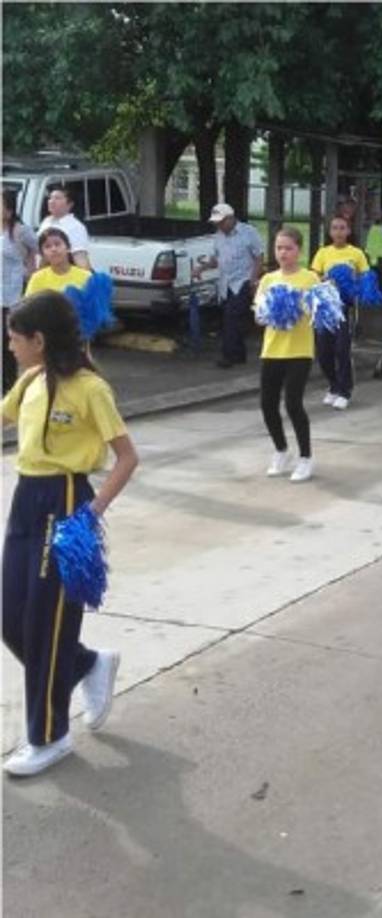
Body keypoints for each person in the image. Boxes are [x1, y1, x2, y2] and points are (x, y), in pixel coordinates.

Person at [2, 290, 139, 776]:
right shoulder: (31, 380)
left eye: (15, 339)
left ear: (38, 339)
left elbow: (127, 457)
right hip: (25, 499)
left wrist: (90, 514)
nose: (10, 346)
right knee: (10, 620)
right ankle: (85, 664)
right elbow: (4, 416)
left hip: (65, 502)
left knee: (44, 624)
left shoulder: (89, 389)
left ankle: (50, 736)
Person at [253, 226, 319, 483]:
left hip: (300, 350)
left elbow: (318, 312)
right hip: (272, 349)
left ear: (299, 251)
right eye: (279, 248)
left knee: (293, 403)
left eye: (288, 248)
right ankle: (281, 450)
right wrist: (269, 309)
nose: (283, 253)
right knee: (267, 404)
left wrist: (299, 305)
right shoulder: (268, 279)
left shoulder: (310, 278)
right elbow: (258, 316)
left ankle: (306, 457)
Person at [195, 203, 265, 368]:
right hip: (225, 282)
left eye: (222, 221)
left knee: (232, 317)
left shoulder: (248, 232)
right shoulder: (218, 236)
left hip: (242, 280)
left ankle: (229, 355)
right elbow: (217, 259)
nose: (219, 225)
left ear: (231, 218)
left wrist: (254, 280)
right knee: (232, 318)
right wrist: (202, 268)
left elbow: (259, 256)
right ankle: (238, 354)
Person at [311, 215, 368, 410]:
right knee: (323, 350)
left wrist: (352, 282)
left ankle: (345, 390)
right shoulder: (323, 253)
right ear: (329, 232)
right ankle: (333, 385)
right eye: (334, 228)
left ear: (349, 231)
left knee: (342, 349)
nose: (338, 232)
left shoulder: (357, 253)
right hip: (326, 307)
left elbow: (365, 277)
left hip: (346, 306)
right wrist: (325, 279)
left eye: (342, 228)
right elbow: (314, 275)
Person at [3, 191, 39, 392]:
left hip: (12, 295)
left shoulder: (20, 231)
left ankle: (10, 387)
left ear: (8, 209)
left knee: (8, 343)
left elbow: (38, 249)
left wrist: (31, 270)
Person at [26, 229, 91, 299]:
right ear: (42, 254)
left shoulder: (86, 277)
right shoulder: (37, 278)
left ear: (68, 248)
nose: (53, 249)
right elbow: (29, 307)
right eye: (47, 246)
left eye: (57, 244)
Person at [37, 186, 91, 270]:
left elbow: (80, 258)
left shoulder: (76, 227)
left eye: (57, 198)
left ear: (70, 204)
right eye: (50, 198)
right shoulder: (46, 221)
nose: (51, 201)